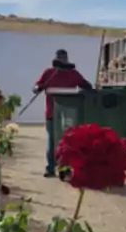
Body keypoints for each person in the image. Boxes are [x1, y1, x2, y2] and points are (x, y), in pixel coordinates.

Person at [34, 49, 93, 177]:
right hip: (52, 115)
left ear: (67, 59)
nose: (62, 61)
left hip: (69, 115)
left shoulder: (73, 74)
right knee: (52, 143)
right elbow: (35, 87)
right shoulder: (49, 73)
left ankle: (64, 169)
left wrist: (88, 86)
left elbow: (86, 84)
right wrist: (39, 88)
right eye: (59, 58)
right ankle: (50, 168)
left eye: (64, 58)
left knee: (68, 144)